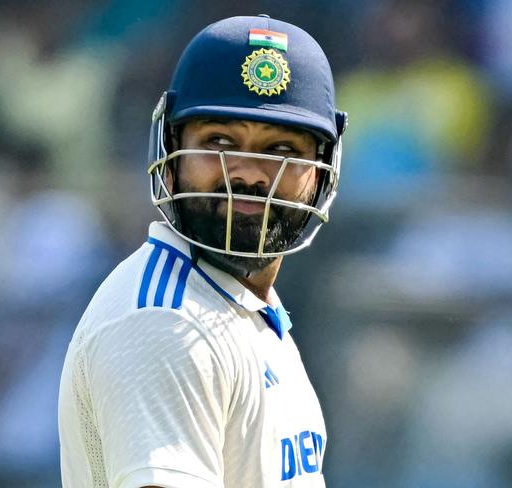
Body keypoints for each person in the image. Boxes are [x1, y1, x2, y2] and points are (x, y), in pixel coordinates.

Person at [58, 15, 347, 488]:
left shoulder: (243, 307)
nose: (249, 173)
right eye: (219, 141)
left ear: (320, 173)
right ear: (171, 153)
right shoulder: (165, 321)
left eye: (280, 148)